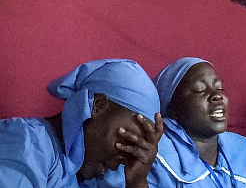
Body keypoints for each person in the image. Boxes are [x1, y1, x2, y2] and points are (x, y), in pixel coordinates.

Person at [0, 59, 164, 188]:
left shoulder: (82, 177)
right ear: (98, 107)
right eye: (128, 142)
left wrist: (137, 183)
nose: (121, 163)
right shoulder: (27, 143)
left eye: (133, 154)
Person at [146, 58, 246, 188]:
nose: (217, 95)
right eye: (199, 90)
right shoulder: (154, 155)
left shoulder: (243, 151)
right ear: (173, 109)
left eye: (219, 87)